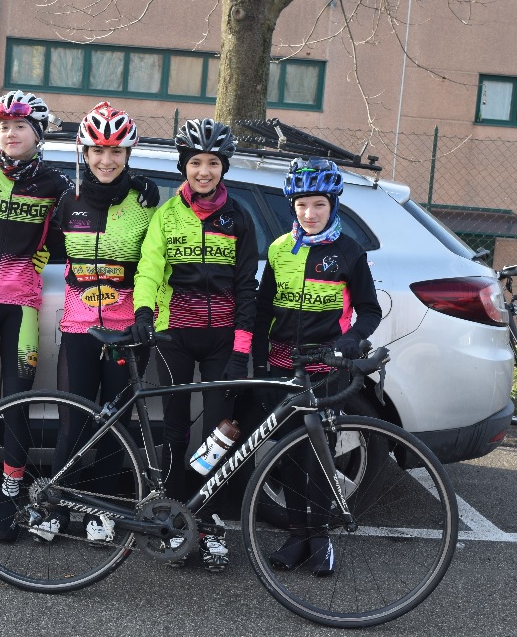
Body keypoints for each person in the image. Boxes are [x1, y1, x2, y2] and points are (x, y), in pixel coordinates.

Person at [129, 118, 259, 571]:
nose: (204, 171)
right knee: (175, 429)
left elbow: (247, 287)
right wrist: (143, 313)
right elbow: (149, 269)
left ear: (224, 168)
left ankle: (210, 519)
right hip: (175, 337)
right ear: (184, 166)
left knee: (218, 434)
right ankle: (173, 515)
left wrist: (241, 348)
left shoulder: (238, 217)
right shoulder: (166, 215)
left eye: (213, 163)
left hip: (223, 339)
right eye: (196, 162)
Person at [31, 101, 159, 543]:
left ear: (128, 154)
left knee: (115, 426)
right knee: (73, 420)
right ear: (84, 153)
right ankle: (55, 505)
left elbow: (155, 266)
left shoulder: (146, 203)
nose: (106, 160)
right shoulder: (68, 201)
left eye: (116, 151)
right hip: (79, 327)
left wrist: (146, 316)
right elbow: (41, 249)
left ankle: (100, 510)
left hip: (126, 329)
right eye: (98, 151)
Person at [0, 90, 74, 542]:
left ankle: (9, 497)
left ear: (38, 134)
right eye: (4, 126)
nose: (10, 133)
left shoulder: (56, 184)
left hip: (22, 301)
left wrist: (139, 185)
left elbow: (91, 211)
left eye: (20, 126)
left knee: (16, 404)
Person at [252, 157, 382, 577]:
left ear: (333, 204)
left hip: (326, 368)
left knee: (320, 455)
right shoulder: (278, 249)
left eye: (319, 205)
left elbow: (369, 311)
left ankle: (321, 538)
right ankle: (297, 537)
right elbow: (263, 310)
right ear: (293, 206)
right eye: (302, 205)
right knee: (290, 455)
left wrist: (348, 342)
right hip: (283, 365)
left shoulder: (349, 252)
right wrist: (258, 360)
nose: (310, 214)